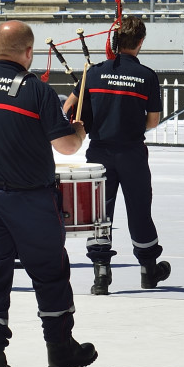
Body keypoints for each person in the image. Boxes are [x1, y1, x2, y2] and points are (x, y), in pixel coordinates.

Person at [0, 21, 95, 367]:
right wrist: (78, 128)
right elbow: (68, 146)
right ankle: (59, 350)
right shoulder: (35, 91)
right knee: (49, 272)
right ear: (28, 52)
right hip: (29, 197)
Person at [63, 16, 170, 296]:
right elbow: (154, 120)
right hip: (132, 152)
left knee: (99, 213)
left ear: (114, 41)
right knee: (139, 210)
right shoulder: (147, 75)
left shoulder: (94, 72)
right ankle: (149, 269)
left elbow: (69, 107)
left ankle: (100, 273)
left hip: (99, 151)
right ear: (141, 42)